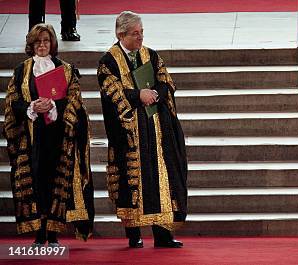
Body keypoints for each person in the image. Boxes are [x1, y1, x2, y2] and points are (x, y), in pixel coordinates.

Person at [97, 11, 188, 248]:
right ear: (121, 34)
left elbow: (167, 82)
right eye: (135, 33)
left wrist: (154, 93)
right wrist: (139, 95)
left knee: (162, 180)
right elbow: (111, 93)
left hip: (157, 131)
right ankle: (134, 235)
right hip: (129, 135)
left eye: (142, 32)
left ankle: (163, 235)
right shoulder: (108, 62)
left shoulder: (151, 55)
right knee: (131, 182)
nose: (140, 38)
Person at [3, 23, 94, 247]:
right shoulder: (21, 70)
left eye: (46, 41)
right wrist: (32, 106)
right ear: (31, 45)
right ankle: (39, 234)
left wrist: (54, 105)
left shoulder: (66, 69)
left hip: (58, 135)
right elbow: (12, 102)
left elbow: (76, 101)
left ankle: (53, 235)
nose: (42, 45)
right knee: (36, 184)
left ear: (52, 43)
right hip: (32, 137)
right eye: (38, 42)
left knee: (56, 185)